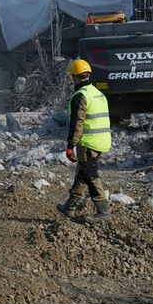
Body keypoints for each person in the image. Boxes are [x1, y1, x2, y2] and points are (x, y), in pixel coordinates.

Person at [57, 59, 111, 220]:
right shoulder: (97, 93)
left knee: (89, 173)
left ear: (73, 76)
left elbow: (76, 124)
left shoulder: (81, 95)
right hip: (102, 141)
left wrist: (70, 146)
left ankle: (103, 211)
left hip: (88, 142)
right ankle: (70, 206)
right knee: (83, 172)